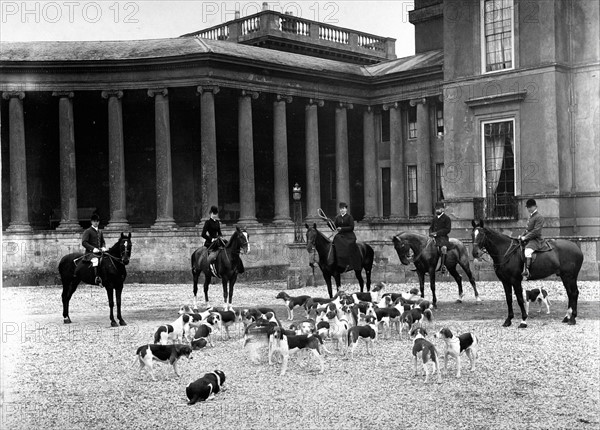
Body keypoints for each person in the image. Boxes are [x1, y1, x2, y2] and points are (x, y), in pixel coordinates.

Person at [518, 199, 550, 279]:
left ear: (535, 206)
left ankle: (527, 271)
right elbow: (527, 230)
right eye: (528, 207)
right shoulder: (531, 216)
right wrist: (521, 235)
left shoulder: (539, 217)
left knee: (528, 251)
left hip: (536, 239)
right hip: (529, 239)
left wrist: (525, 237)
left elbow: (536, 231)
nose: (528, 209)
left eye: (530, 207)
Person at [76, 213, 106, 285]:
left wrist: (103, 247)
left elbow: (103, 242)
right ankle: (97, 278)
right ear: (91, 222)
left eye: (97, 221)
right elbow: (84, 242)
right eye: (95, 221)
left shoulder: (100, 232)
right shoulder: (88, 231)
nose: (96, 223)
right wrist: (93, 249)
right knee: (95, 261)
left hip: (99, 252)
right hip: (90, 253)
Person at [332, 202, 361, 271]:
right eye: (341, 209)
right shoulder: (337, 218)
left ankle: (349, 263)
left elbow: (351, 227)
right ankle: (338, 262)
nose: (342, 210)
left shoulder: (349, 217)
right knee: (335, 242)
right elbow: (334, 227)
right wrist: (329, 223)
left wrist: (342, 229)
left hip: (349, 235)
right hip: (340, 236)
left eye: (343, 209)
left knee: (347, 245)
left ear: (346, 209)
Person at [429, 202, 454, 274]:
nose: (437, 211)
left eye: (438, 209)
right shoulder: (434, 219)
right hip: (433, 238)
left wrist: (437, 233)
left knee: (443, 248)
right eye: (436, 209)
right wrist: (431, 234)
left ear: (442, 209)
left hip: (443, 238)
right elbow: (431, 228)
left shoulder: (447, 219)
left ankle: (442, 266)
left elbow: (447, 229)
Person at [201, 206, 223, 277]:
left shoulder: (217, 222)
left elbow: (219, 232)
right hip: (210, 242)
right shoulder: (207, 222)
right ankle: (209, 268)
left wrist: (219, 237)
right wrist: (211, 239)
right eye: (214, 214)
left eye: (216, 214)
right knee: (211, 257)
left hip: (217, 240)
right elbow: (203, 234)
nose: (215, 215)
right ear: (210, 214)